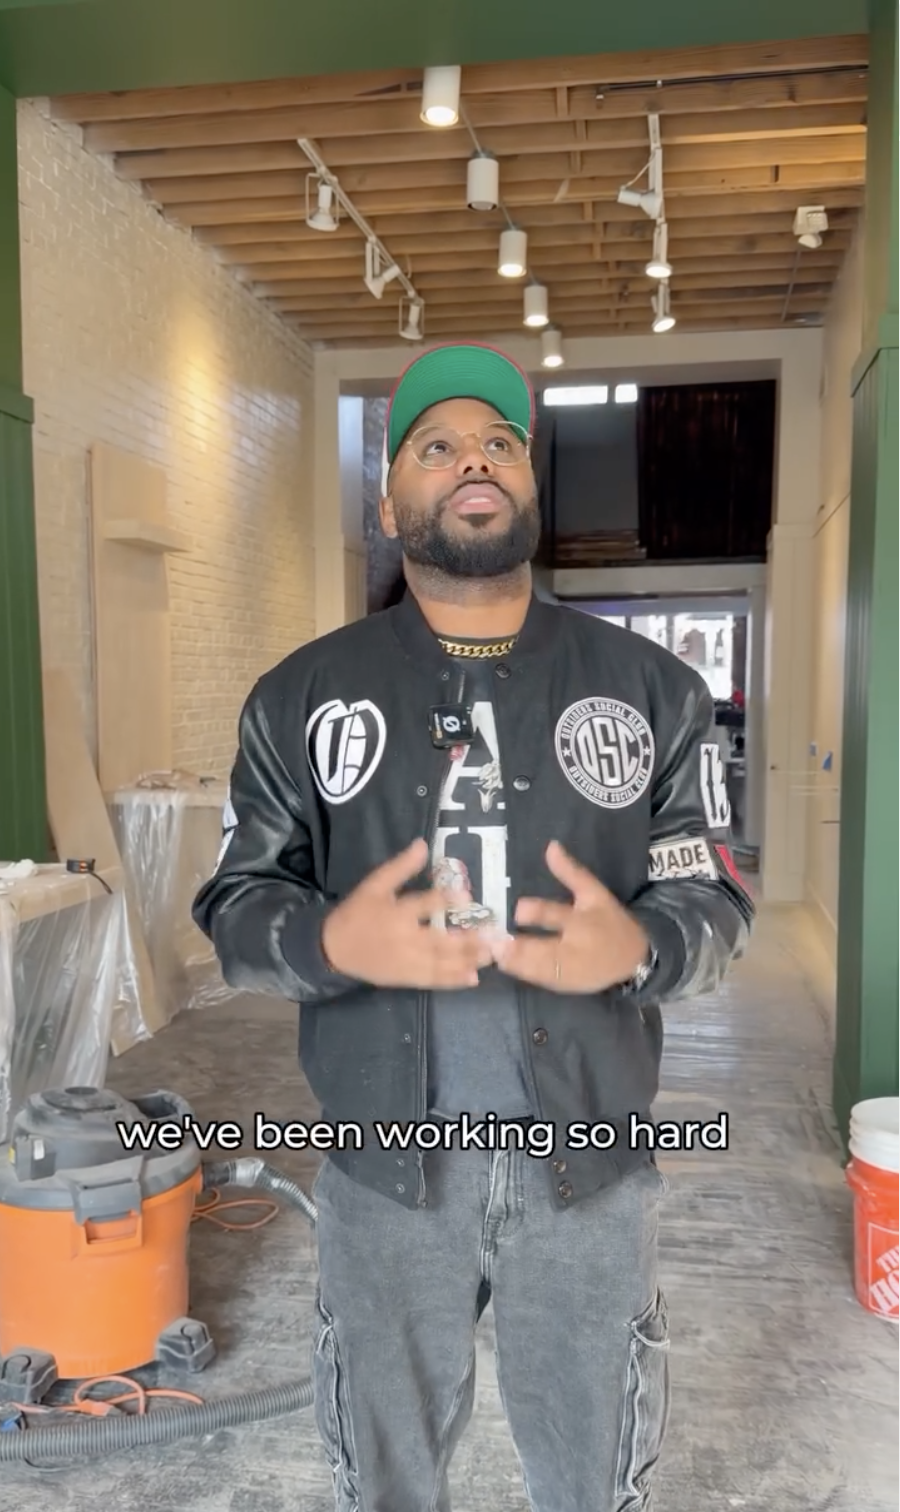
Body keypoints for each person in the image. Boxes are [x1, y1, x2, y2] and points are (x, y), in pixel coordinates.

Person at [192, 342, 755, 1512]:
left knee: (593, 1476)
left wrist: (642, 948)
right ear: (388, 499)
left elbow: (715, 898)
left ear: (531, 485)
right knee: (387, 1478)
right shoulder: (301, 698)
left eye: (501, 443)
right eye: (438, 446)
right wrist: (333, 944)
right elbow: (236, 907)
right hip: (387, 1177)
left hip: (589, 1173)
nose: (475, 461)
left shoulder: (654, 692)